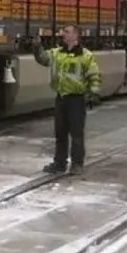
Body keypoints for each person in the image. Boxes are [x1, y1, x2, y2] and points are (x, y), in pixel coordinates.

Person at [32, 25, 102, 175]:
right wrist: (37, 47)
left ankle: (77, 164)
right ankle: (59, 163)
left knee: (76, 134)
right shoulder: (57, 53)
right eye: (64, 32)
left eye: (67, 32)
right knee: (60, 133)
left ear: (76, 36)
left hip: (77, 99)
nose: (63, 34)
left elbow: (94, 75)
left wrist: (93, 94)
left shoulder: (86, 56)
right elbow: (43, 59)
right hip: (61, 98)